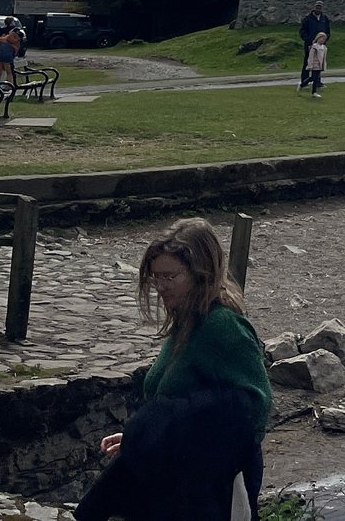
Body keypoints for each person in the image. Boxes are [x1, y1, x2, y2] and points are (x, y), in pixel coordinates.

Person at [79, 218, 271, 521]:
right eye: (156, 277)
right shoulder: (187, 319)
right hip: (180, 475)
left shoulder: (223, 327)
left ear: (200, 273)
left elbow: (255, 408)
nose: (160, 286)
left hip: (210, 484)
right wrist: (146, 436)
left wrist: (163, 430)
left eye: (170, 276)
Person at [298, 2, 331, 92]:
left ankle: (317, 82)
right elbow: (302, 31)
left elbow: (327, 31)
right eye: (317, 7)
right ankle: (304, 81)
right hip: (310, 45)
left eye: (320, 8)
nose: (318, 9)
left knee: (319, 63)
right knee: (308, 63)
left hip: (320, 45)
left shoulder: (324, 19)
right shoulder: (308, 19)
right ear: (314, 8)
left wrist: (324, 40)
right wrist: (309, 41)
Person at [0, 19, 25, 88]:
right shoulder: (17, 42)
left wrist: (2, 38)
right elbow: (16, 51)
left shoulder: (4, 38)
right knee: (9, 72)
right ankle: (8, 86)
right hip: (8, 57)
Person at [302, 31, 328, 99]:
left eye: (324, 39)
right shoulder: (314, 47)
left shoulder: (324, 47)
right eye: (321, 38)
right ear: (318, 38)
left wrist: (323, 65)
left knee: (316, 78)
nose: (322, 40)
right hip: (315, 65)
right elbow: (311, 57)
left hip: (320, 65)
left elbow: (324, 57)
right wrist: (310, 65)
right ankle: (303, 84)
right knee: (313, 78)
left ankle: (314, 92)